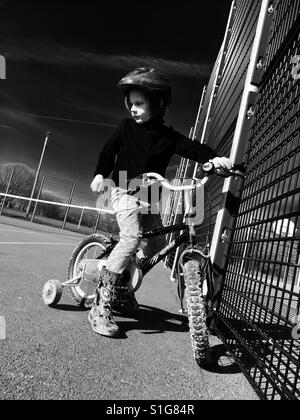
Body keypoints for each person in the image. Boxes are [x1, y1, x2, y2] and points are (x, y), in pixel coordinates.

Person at [89, 67, 233, 338]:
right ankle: (100, 303)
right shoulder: (126, 128)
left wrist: (214, 160)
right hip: (125, 191)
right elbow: (109, 150)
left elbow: (192, 148)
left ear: (157, 103)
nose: (133, 108)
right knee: (131, 239)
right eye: (130, 103)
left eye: (139, 103)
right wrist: (100, 173)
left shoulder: (168, 137)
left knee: (157, 244)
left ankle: (121, 287)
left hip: (150, 199)